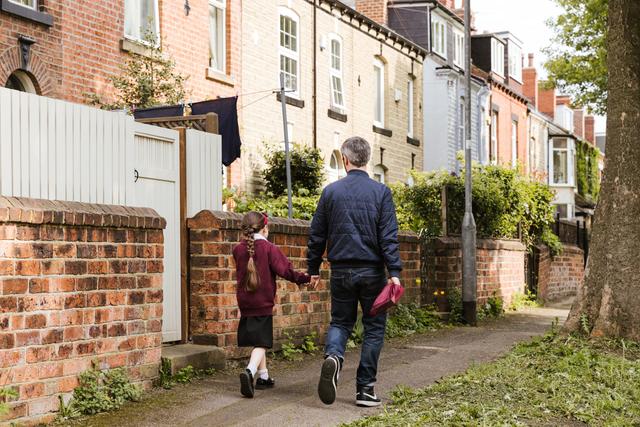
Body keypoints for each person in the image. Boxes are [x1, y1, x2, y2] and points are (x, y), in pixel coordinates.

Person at [307, 136, 402, 407]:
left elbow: (317, 235)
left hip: (340, 271)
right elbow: (388, 237)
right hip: (372, 272)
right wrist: (393, 271)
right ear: (367, 159)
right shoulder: (381, 193)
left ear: (345, 159)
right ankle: (365, 390)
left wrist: (313, 269)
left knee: (340, 322)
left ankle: (334, 357)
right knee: (373, 329)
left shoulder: (331, 192)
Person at [233, 211, 310, 398]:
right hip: (263, 301)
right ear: (265, 228)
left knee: (258, 337)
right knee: (262, 342)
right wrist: (305, 278)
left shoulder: (238, 249)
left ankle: (264, 377)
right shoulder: (269, 249)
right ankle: (250, 371)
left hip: (245, 301)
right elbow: (286, 270)